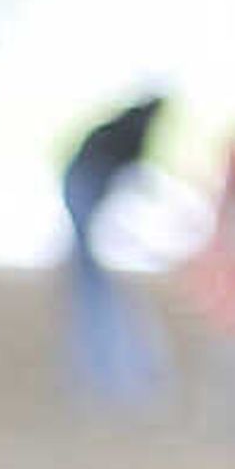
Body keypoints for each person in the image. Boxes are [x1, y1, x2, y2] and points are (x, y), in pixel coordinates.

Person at [56, 90, 172, 406]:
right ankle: (108, 374)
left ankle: (104, 372)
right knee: (96, 288)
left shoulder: (120, 128)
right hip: (85, 192)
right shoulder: (134, 132)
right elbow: (132, 184)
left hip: (84, 190)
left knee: (93, 286)